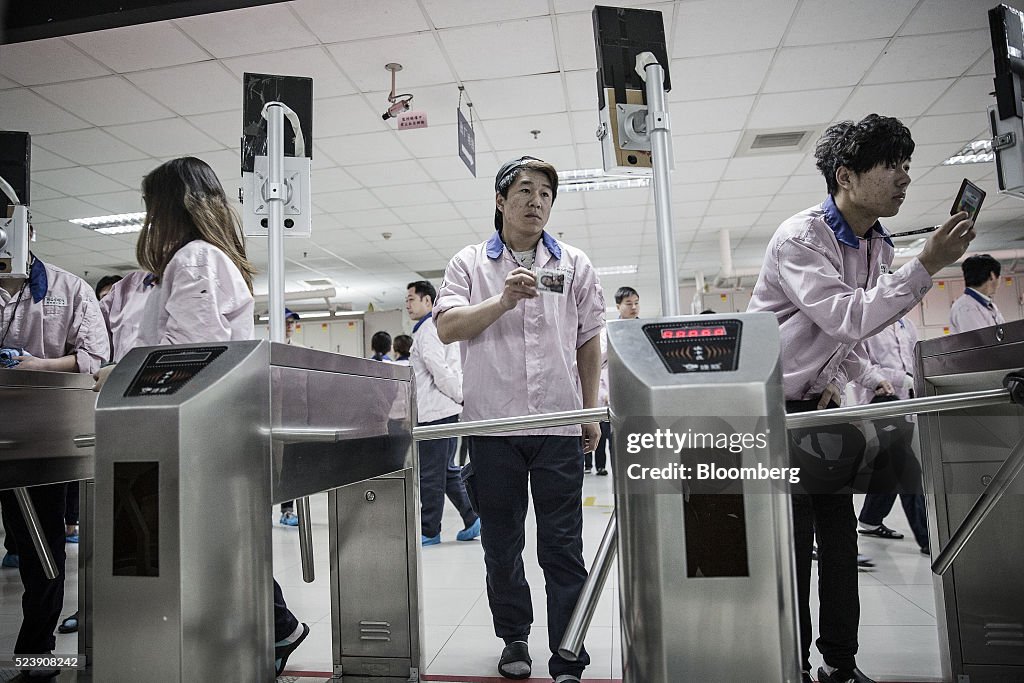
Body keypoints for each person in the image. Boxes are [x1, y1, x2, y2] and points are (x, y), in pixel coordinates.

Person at [747, 114, 975, 683]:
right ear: (845, 175)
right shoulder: (802, 238)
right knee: (794, 547)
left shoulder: (877, 241)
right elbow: (847, 317)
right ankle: (790, 665)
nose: (904, 179)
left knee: (840, 543)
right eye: (891, 166)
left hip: (821, 408)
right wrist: (928, 264)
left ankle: (840, 663)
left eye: (906, 166)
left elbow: (837, 337)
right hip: (771, 413)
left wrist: (866, 374)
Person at [93, 157, 308, 677]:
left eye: (149, 208)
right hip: (201, 431)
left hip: (187, 434)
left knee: (206, 545)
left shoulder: (193, 259)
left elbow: (183, 355)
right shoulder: (203, 259)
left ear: (168, 207)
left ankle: (273, 627)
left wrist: (115, 374)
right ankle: (264, 629)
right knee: (218, 544)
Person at [434, 156, 604, 683]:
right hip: (492, 430)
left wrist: (590, 409)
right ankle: (514, 638)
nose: (537, 201)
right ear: (501, 201)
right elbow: (446, 327)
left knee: (562, 547)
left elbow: (589, 337)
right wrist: (503, 299)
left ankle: (568, 649)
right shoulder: (469, 263)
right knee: (501, 545)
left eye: (546, 194)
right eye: (525, 191)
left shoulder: (574, 262)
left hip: (557, 425)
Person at [0, 225, 109, 681]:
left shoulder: (68, 288)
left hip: (40, 440)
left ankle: (36, 651)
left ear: (27, 231)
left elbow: (94, 356)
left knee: (39, 551)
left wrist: (39, 365)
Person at [59, 269, 156, 636]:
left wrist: (120, 370)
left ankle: (278, 622)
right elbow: (92, 335)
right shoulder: (129, 287)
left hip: (162, 422)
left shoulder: (197, 270)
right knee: (115, 530)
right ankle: (98, 612)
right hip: (117, 423)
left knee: (159, 531)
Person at [405, 280, 479, 546]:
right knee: (446, 473)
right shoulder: (426, 330)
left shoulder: (428, 330)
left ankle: (429, 530)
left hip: (436, 414)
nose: (407, 304)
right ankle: (472, 518)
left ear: (428, 301)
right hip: (438, 411)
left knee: (431, 475)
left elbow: (440, 371)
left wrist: (461, 398)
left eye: (412, 298)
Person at [851, 317, 929, 554]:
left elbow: (915, 357)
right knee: (907, 467)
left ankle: (870, 519)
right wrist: (899, 378)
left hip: (904, 401)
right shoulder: (869, 322)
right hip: (880, 401)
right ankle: (929, 539)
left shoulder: (907, 324)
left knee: (891, 466)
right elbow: (861, 365)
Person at [589, 286, 639, 475]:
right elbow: (597, 366)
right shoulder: (609, 333)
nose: (633, 307)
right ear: (618, 306)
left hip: (639, 399)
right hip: (614, 399)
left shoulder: (643, 330)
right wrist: (605, 395)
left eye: (636, 303)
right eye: (628, 303)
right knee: (616, 443)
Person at [279, 308, 302, 527]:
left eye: (292, 322)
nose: (289, 325)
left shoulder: (298, 352)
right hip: (269, 416)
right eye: (286, 321)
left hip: (292, 418)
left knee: (290, 465)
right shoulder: (267, 350)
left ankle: (287, 510)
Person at [950, 254, 1004, 333]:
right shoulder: (965, 307)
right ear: (992, 275)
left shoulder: (989, 305)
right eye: (999, 276)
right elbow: (982, 341)